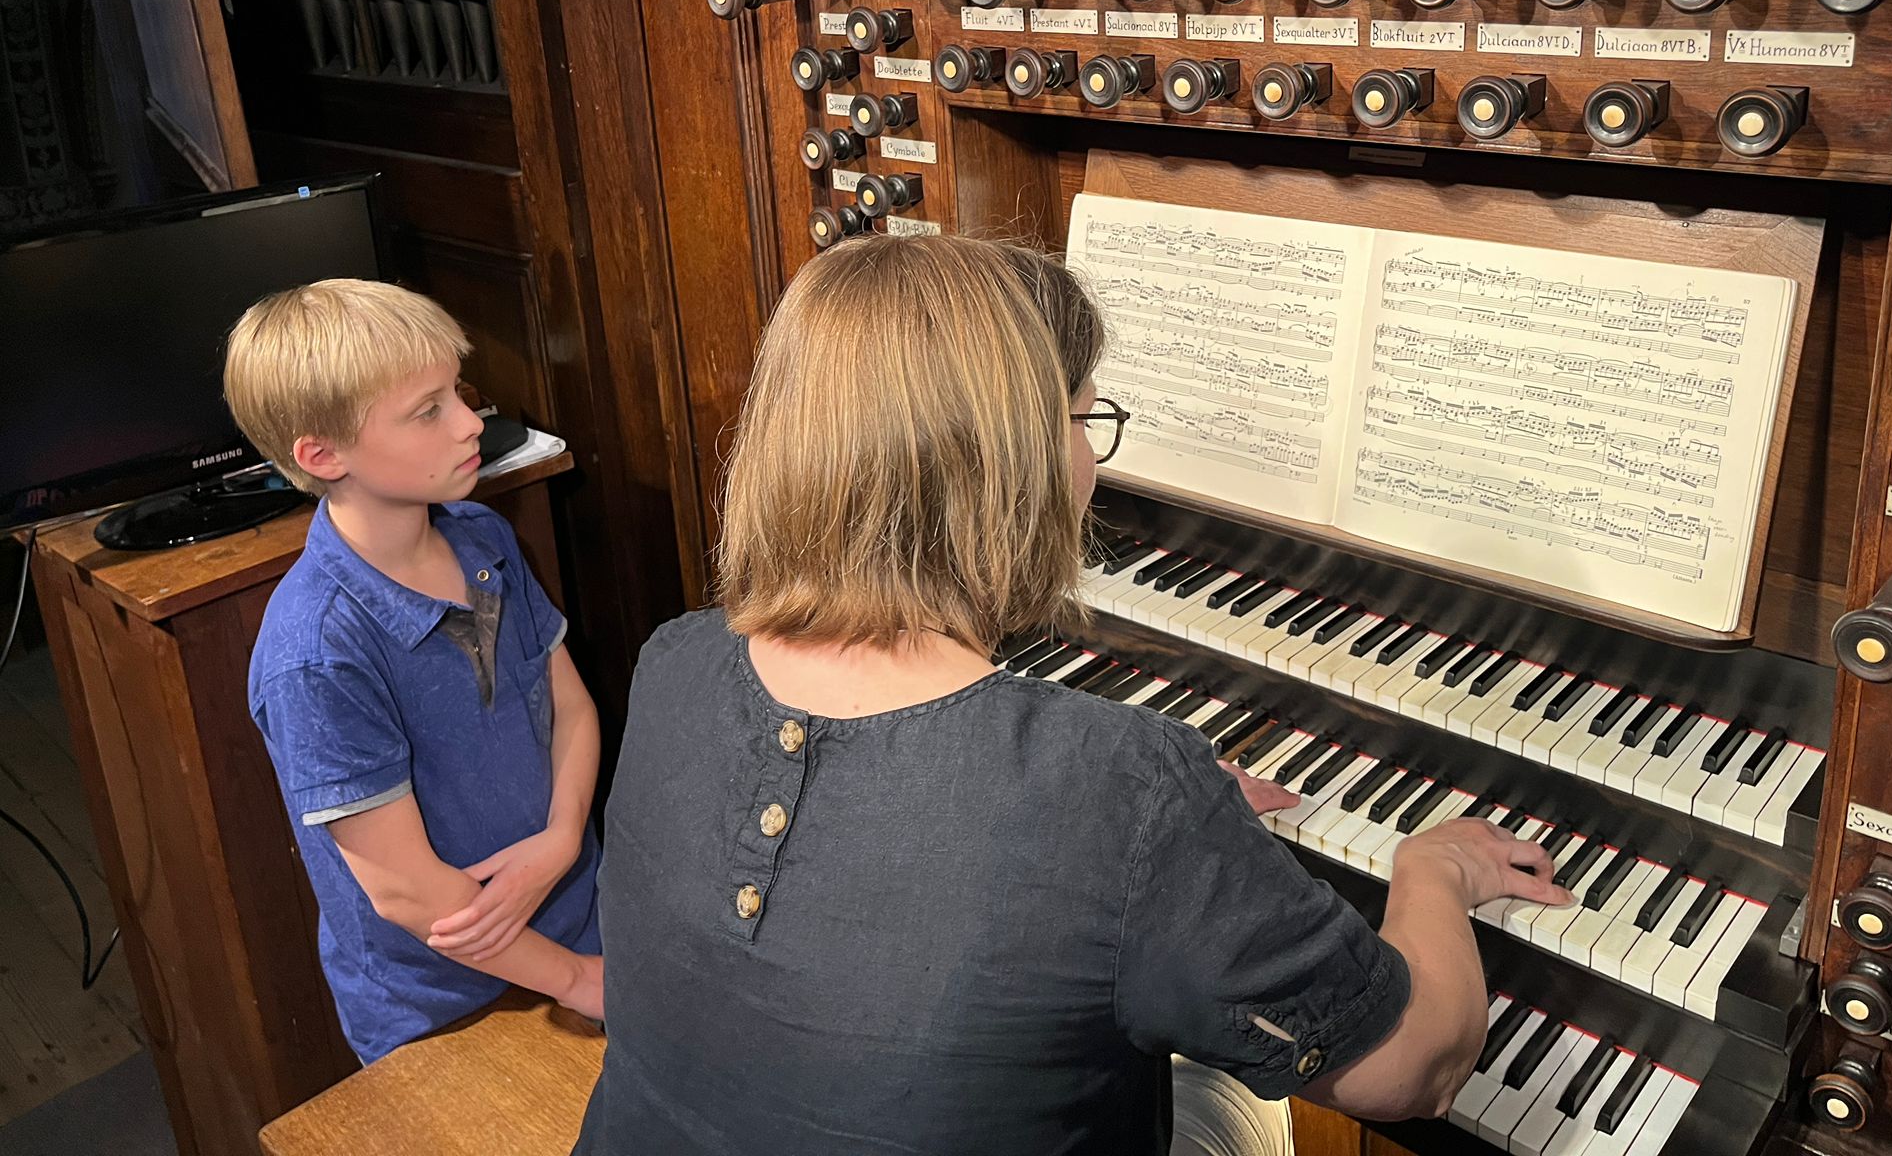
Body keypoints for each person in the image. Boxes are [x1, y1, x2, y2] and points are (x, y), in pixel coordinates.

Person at [575, 235, 1572, 1154]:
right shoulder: (1118, 787)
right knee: (1249, 1107)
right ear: (1011, 455)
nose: (1089, 456)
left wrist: (1141, 843)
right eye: (1083, 417)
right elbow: (1413, 1070)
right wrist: (1432, 873)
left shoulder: (677, 661)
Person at [226, 279, 603, 1063]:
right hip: (442, 1004)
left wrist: (564, 837)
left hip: (580, 916)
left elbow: (568, 704)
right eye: (428, 411)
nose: (471, 422)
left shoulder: (481, 535)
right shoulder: (315, 653)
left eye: (458, 392)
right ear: (322, 455)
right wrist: (573, 979)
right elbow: (405, 891)